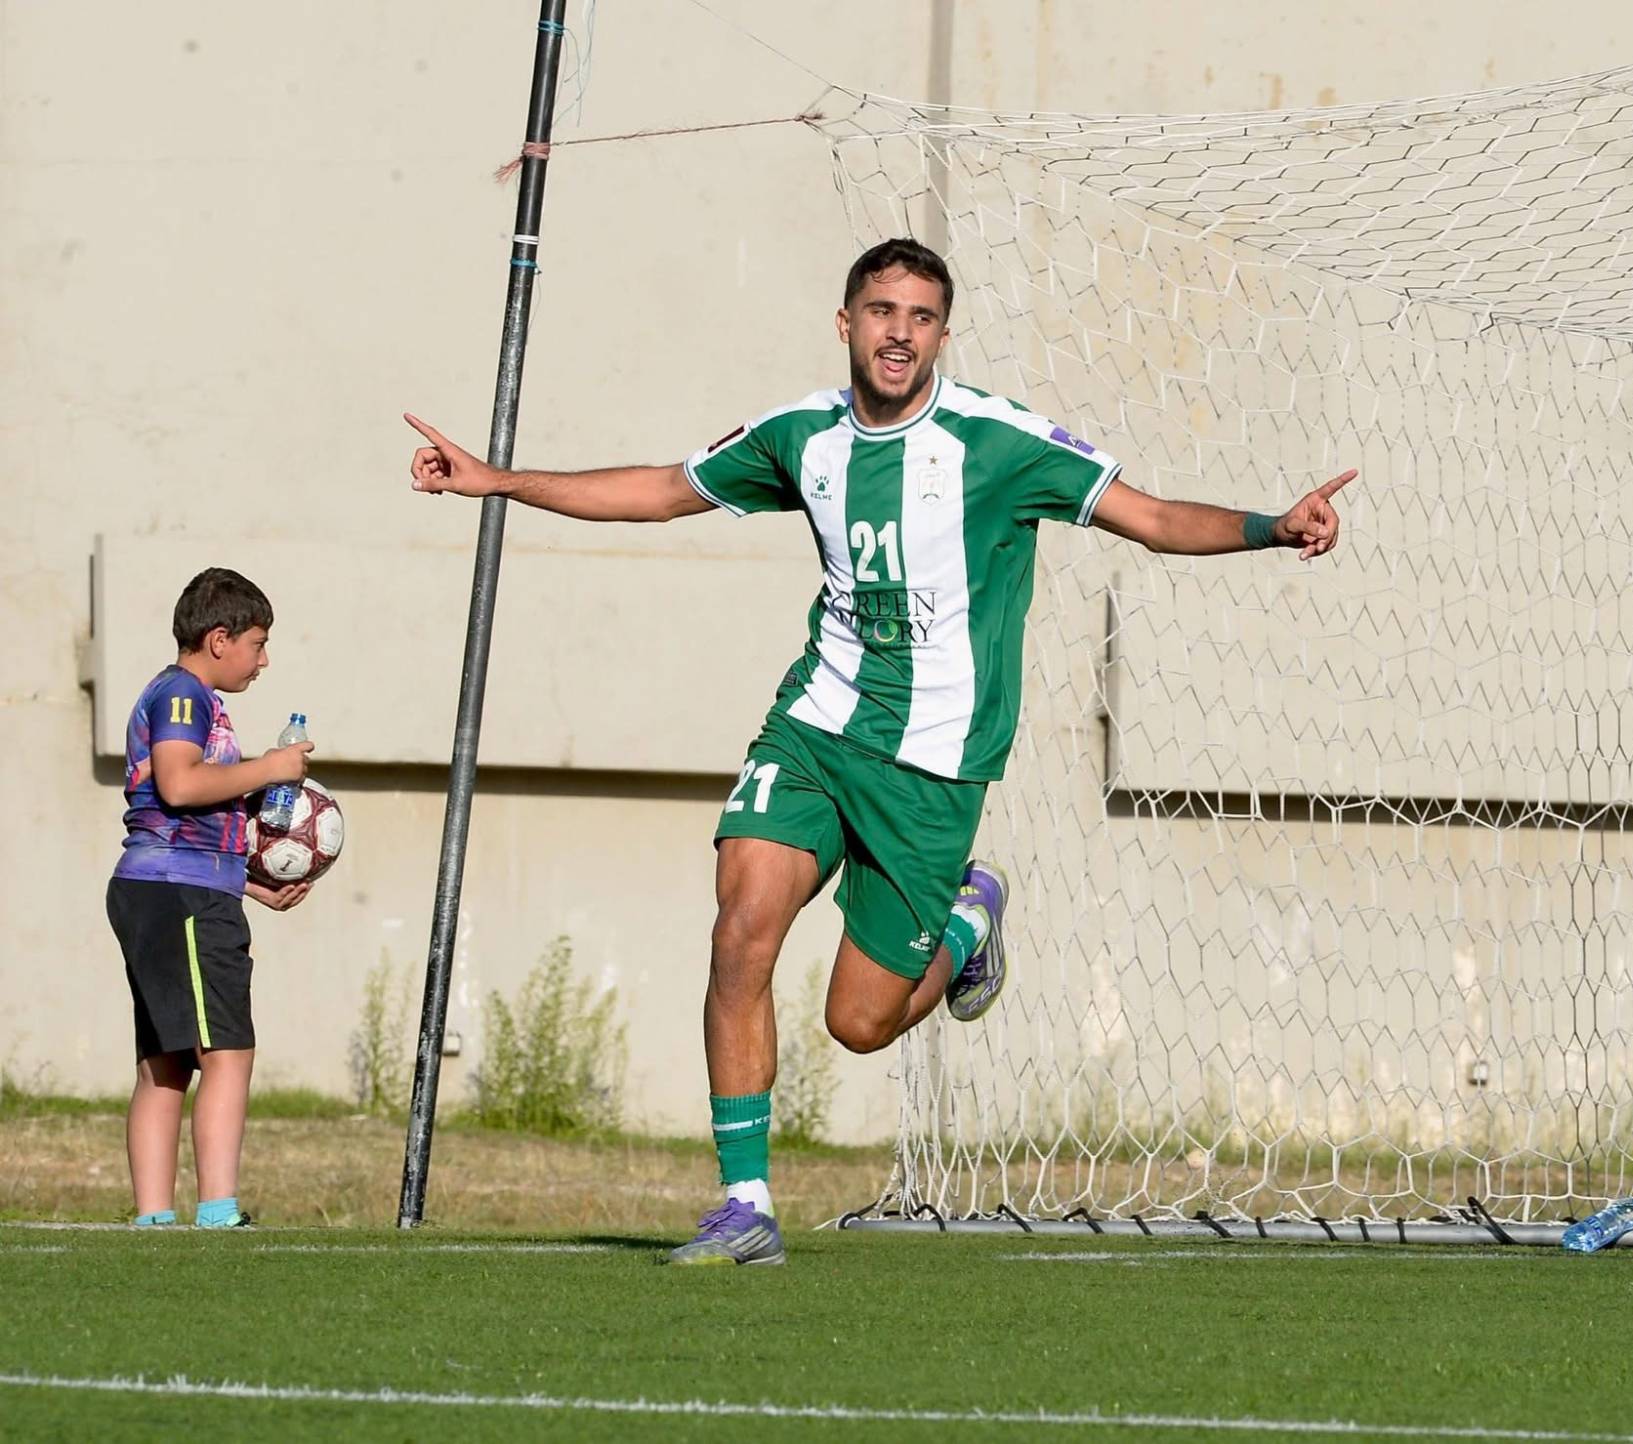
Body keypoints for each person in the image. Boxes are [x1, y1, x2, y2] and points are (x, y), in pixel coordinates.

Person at [405, 237, 1354, 1265]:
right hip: (816, 728)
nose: (898, 332)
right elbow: (662, 488)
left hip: (932, 767)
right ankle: (746, 1203)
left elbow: (1154, 516)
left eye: (920, 316)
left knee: (859, 1023)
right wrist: (492, 478)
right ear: (845, 320)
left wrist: (1272, 524)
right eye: (880, 310)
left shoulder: (997, 442)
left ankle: (966, 918)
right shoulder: (799, 438)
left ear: (941, 333)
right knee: (739, 928)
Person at [106, 567, 315, 1228]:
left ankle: (153, 1217)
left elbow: (184, 821)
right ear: (218, 638)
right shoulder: (181, 696)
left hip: (168, 888)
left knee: (165, 1063)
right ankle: (219, 1211)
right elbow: (178, 785)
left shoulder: (192, 700)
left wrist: (252, 885)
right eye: (257, 642)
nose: (264, 659)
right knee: (226, 1049)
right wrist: (271, 768)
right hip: (180, 897)